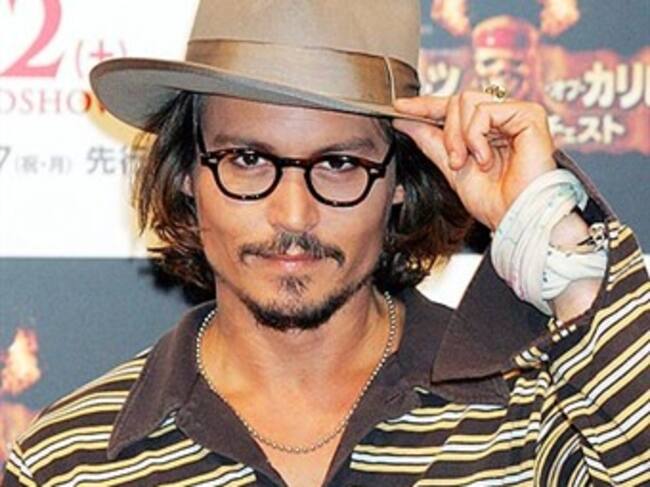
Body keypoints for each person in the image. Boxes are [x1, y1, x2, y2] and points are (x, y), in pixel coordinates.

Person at [4, 1, 647, 486]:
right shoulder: (71, 461)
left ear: (400, 182)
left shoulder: (536, 419)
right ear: (187, 176)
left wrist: (551, 232)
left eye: (339, 164)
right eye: (248, 159)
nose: (294, 214)